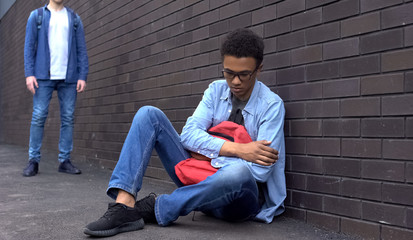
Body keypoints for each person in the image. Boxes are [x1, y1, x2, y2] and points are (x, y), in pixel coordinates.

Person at [84, 28, 286, 237]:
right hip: (197, 179)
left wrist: (207, 152)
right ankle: (124, 207)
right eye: (229, 73)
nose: (235, 81)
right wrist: (239, 150)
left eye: (244, 74)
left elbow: (260, 172)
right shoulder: (216, 90)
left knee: (239, 173)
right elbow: (188, 135)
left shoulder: (271, 106)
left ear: (259, 69)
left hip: (237, 204)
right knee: (148, 115)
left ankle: (157, 207)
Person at [23, 0, 89, 177]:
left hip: (69, 77)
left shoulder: (75, 19)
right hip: (42, 75)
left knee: (68, 118)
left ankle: (64, 161)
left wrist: (82, 75)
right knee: (38, 116)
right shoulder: (36, 16)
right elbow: (29, 46)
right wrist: (29, 73)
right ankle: (33, 161)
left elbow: (81, 49)